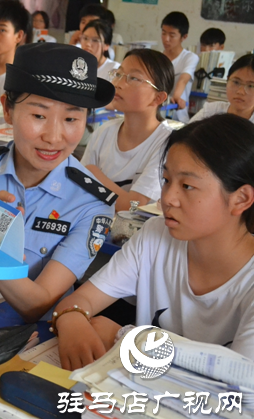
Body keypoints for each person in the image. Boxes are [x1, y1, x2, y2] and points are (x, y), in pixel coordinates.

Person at [0, 43, 116, 323]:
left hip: (31, 338)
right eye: (39, 116)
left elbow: (39, 304)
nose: (54, 137)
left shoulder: (91, 203)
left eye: (71, 118)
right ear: (8, 110)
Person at [55, 114, 254, 369]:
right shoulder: (155, 236)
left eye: (188, 186)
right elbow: (81, 301)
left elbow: (239, 383)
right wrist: (71, 319)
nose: (167, 198)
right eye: (167, 180)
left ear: (241, 199)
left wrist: (124, 337)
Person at [81, 49, 174, 212]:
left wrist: (92, 173)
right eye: (118, 74)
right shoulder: (104, 133)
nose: (118, 84)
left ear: (158, 98)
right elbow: (78, 186)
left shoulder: (167, 144)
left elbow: (135, 206)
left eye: (133, 78)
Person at [190, 54, 254, 124]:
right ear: (227, 80)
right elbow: (186, 133)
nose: (240, 91)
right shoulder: (212, 111)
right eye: (236, 82)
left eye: (250, 86)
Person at [161, 11, 199, 123]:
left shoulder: (190, 57)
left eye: (172, 35)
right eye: (163, 33)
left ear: (184, 37)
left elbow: (183, 80)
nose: (166, 39)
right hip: (157, 113)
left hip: (178, 116)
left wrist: (176, 97)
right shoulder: (158, 57)